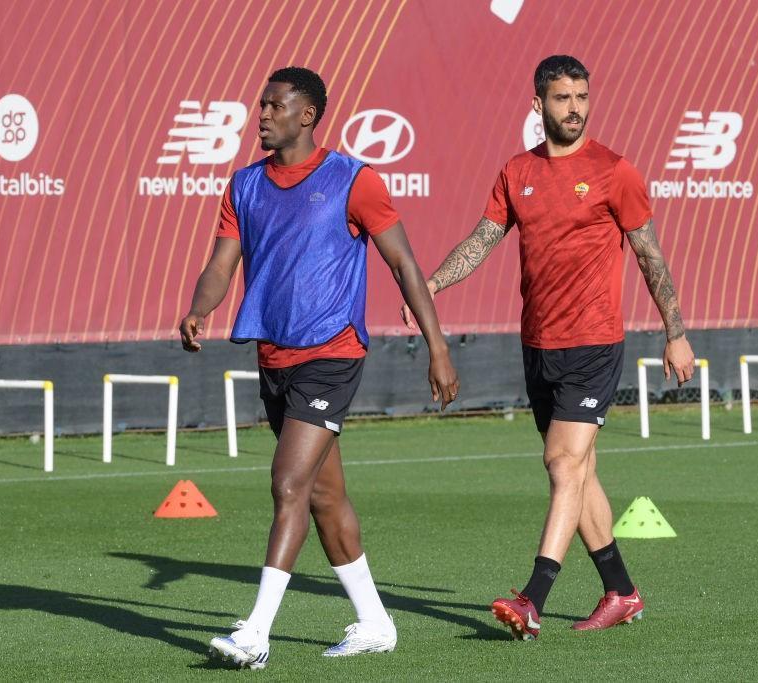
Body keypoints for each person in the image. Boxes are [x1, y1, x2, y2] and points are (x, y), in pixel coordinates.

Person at [401, 55, 695, 639]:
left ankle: (533, 597)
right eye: (562, 98)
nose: (575, 108)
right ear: (539, 105)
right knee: (578, 472)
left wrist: (675, 332)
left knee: (562, 464)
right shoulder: (516, 172)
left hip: (594, 343)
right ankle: (621, 591)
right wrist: (430, 286)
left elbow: (650, 256)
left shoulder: (615, 171)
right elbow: (483, 238)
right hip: (539, 345)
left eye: (582, 96)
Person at [179, 66, 458, 669]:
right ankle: (376, 622)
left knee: (287, 485)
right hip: (273, 357)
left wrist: (437, 346)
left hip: (331, 354)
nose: (262, 115)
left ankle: (255, 634)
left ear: (306, 115)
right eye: (261, 106)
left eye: (274, 106)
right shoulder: (244, 185)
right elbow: (221, 265)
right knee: (325, 498)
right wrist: (201, 309)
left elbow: (405, 265)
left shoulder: (353, 180)